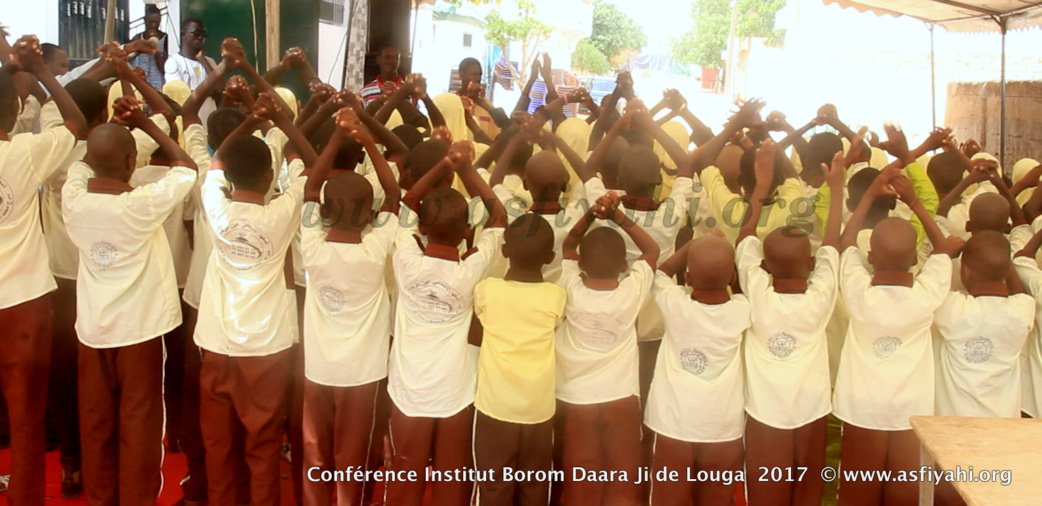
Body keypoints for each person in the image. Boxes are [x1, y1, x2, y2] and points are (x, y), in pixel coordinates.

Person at [62, 96, 197, 506]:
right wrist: (144, 121)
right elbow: (186, 167)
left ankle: (102, 498)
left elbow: (84, 164)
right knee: (140, 422)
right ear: (130, 163)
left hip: (92, 331)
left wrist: (122, 132)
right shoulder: (141, 205)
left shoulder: (74, 199)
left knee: (97, 421)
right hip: (140, 331)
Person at [193, 89, 316, 506]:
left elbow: (215, 162)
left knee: (218, 446)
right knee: (262, 447)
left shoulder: (216, 206)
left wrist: (249, 121)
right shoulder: (281, 214)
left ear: (229, 179)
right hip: (266, 347)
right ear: (270, 178)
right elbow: (310, 167)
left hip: (216, 342)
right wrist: (277, 119)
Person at [384, 145, 506, 506]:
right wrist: (467, 170)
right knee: (453, 482)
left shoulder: (406, 259)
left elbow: (404, 205)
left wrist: (445, 163)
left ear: (421, 228)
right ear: (467, 230)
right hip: (456, 393)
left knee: (405, 478)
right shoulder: (471, 269)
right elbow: (498, 219)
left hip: (408, 392)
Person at [833, 165, 961, 506]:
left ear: (870, 258)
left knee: (858, 492)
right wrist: (915, 202)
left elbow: (845, 244)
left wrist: (871, 193)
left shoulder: (860, 294)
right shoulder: (925, 296)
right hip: (911, 412)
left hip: (861, 410)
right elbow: (944, 249)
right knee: (905, 494)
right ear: (915, 263)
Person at [0, 35, 87, 506]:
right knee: (26, 415)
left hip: (22, 300)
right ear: (16, 111)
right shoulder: (24, 153)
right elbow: (74, 121)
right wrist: (43, 72)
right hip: (24, 301)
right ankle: (25, 498)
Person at [299, 108, 401, 506]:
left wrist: (339, 138)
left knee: (316, 453)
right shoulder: (376, 249)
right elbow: (393, 194)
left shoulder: (312, 247)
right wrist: (366, 140)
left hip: (318, 371)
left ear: (324, 213)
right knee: (353, 458)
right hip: (363, 374)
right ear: (371, 216)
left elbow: (311, 190)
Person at [738, 141, 842, 506]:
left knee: (765, 495)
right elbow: (831, 245)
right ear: (811, 265)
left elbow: (746, 239)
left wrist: (761, 186)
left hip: (764, 416)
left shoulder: (757, 294)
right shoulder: (820, 299)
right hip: (812, 413)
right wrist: (838, 189)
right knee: (808, 495)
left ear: (764, 267)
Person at [555, 193, 659, 506]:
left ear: (581, 264)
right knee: (622, 480)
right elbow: (652, 249)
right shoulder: (632, 290)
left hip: (577, 400)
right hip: (622, 399)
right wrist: (618, 216)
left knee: (579, 480)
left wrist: (592, 213)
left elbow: (568, 247)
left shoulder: (570, 285)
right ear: (625, 265)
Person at [644, 235, 749, 506]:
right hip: (723, 428)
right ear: (732, 277)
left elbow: (659, 273)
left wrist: (692, 245)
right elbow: (738, 291)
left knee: (669, 498)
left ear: (688, 278)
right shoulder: (743, 309)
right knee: (717, 498)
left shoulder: (675, 303)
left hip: (673, 425)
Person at [473, 214, 567, 506]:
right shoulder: (556, 296)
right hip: (538, 412)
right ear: (551, 257)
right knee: (535, 489)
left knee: (492, 488)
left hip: (494, 408)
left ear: (504, 250)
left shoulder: (487, 290)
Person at [165, 18, 217, 124]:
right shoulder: (173, 62)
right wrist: (209, 92)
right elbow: (180, 95)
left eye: (203, 34)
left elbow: (219, 88)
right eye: (196, 33)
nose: (201, 37)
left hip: (210, 123)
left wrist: (203, 60)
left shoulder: (210, 62)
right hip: (188, 125)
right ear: (183, 34)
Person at [130, 4, 168, 90]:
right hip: (140, 82)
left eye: (157, 22)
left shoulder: (165, 38)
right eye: (151, 22)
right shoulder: (138, 38)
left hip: (158, 84)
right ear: (145, 20)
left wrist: (155, 47)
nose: (154, 25)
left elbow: (164, 69)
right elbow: (129, 61)